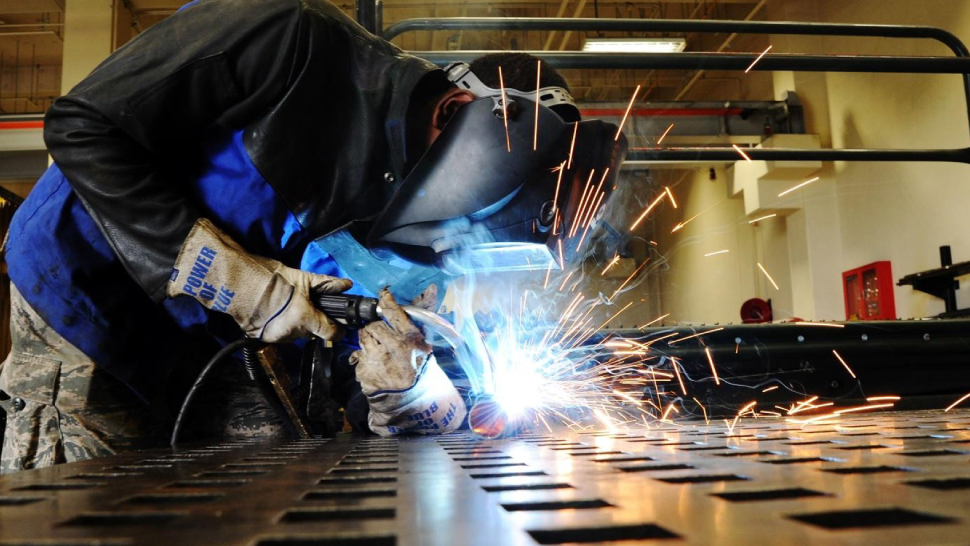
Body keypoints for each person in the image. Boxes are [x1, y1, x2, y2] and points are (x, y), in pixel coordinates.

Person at [0, 0, 614, 473]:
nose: (451, 250)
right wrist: (229, 277)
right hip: (87, 291)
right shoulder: (288, 38)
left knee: (257, 481)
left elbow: (345, 337)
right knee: (94, 489)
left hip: (229, 337)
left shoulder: (438, 223)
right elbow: (85, 124)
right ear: (453, 114)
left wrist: (405, 398)